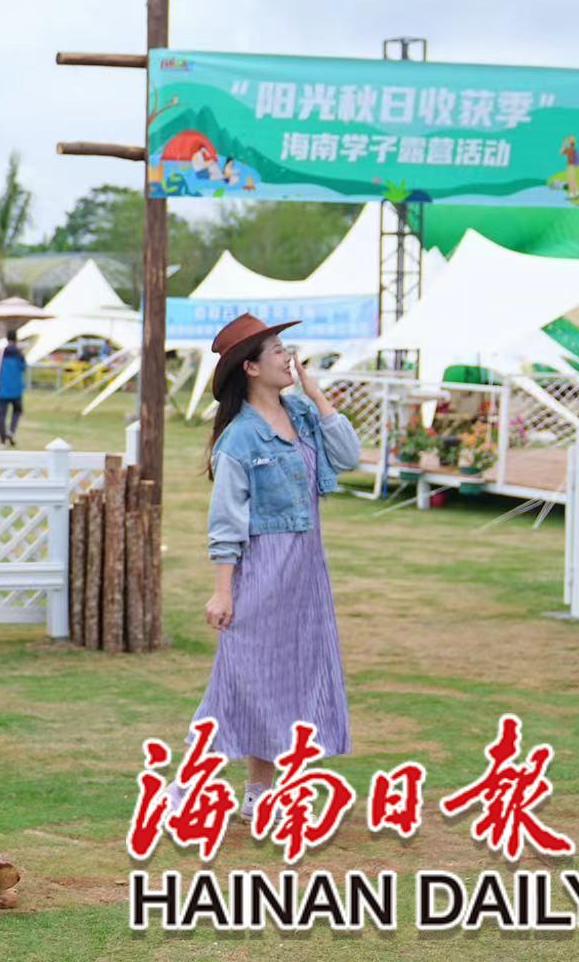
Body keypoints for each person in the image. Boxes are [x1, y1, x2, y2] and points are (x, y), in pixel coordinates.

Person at [191, 314, 362, 812]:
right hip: (263, 567)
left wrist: (317, 395)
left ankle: (268, 794)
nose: (289, 357)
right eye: (278, 351)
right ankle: (242, 791)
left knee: (300, 673)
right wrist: (223, 591)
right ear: (250, 367)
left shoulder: (303, 415)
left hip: (306, 572)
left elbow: (349, 456)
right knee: (255, 675)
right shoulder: (240, 440)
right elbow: (226, 521)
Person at [0, 332, 28, 446]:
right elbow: (24, 367)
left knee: (1, 415)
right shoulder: (19, 353)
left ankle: (2, 440)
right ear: (16, 339)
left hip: (1, 390)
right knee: (17, 412)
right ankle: (11, 431)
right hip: (16, 390)